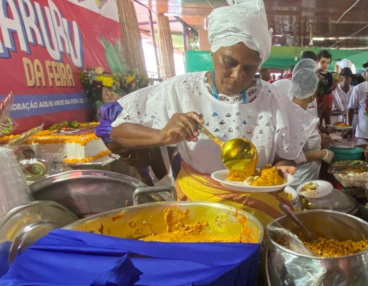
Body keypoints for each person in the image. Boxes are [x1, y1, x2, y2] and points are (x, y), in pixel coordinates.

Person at [110, 0, 309, 225]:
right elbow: (117, 132)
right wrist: (162, 136)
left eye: (249, 69)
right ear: (213, 51)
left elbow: (285, 156)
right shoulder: (179, 90)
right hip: (199, 205)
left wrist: (281, 168)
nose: (237, 75)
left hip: (259, 205)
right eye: (229, 62)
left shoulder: (272, 99)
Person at [288, 68, 334, 186]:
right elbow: (292, 156)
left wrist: (319, 138)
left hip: (307, 178)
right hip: (298, 181)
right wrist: (322, 154)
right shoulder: (295, 116)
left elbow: (303, 141)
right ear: (313, 93)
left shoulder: (296, 111)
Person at [316, 50, 338, 128]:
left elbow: (330, 90)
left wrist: (335, 85)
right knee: (318, 119)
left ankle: (328, 135)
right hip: (317, 100)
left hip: (328, 100)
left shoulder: (330, 75)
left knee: (327, 118)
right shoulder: (315, 74)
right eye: (323, 62)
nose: (325, 65)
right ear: (317, 61)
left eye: (327, 63)